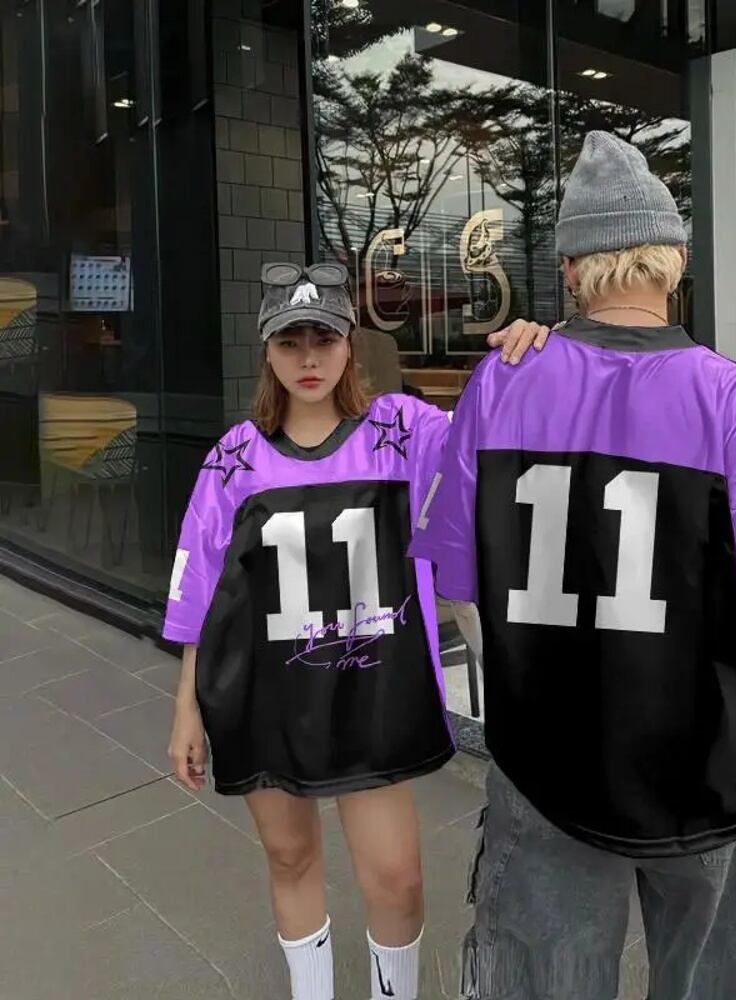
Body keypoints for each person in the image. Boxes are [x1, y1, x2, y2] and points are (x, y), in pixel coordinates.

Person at [409, 132, 736, 1000]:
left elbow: (459, 586)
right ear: (677, 261)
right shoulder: (735, 402)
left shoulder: (501, 383)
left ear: (570, 271)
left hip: (545, 772)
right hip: (702, 778)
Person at [163, 261, 549, 1000]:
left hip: (374, 694)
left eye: (324, 339)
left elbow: (491, 434)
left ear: (350, 344)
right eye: (290, 342)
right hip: (264, 697)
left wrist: (532, 354)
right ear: (267, 351)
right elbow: (198, 589)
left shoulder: (402, 432)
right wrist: (187, 708)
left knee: (398, 881)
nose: (308, 359)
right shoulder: (235, 458)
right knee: (290, 859)